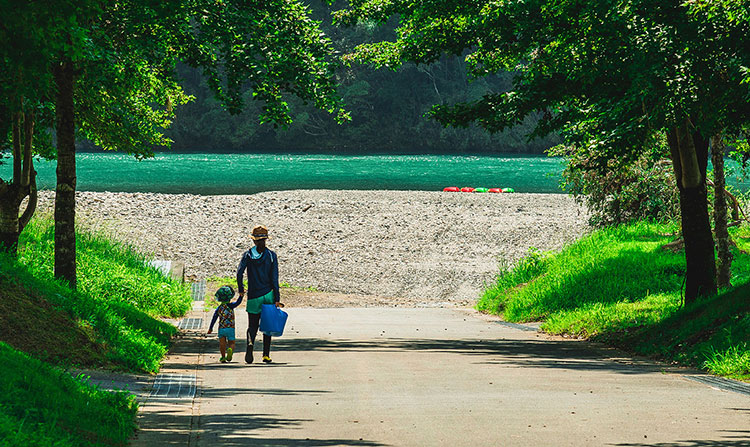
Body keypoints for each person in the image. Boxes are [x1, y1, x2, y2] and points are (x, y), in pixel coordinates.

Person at [237, 225, 283, 364]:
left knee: (252, 325)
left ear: (254, 241)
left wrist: (241, 288)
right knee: (267, 326)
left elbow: (239, 273)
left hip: (253, 295)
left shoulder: (248, 255)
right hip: (268, 295)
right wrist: (277, 298)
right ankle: (266, 355)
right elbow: (275, 278)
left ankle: (250, 348)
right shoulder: (271, 255)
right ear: (266, 240)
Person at [207, 285, 244, 363]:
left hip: (221, 328)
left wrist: (210, 328)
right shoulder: (231, 306)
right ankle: (230, 350)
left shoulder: (219, 308)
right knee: (232, 342)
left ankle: (223, 357)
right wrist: (241, 296)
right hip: (231, 328)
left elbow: (214, 318)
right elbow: (238, 302)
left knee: (222, 344)